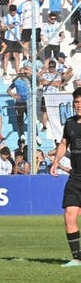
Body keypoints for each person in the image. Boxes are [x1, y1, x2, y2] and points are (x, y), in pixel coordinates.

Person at [50, 87, 81, 267]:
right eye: (76, 102)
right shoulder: (69, 123)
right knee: (69, 215)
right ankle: (77, 258)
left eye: (80, 102)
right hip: (76, 177)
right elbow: (63, 144)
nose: (78, 105)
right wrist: (55, 162)